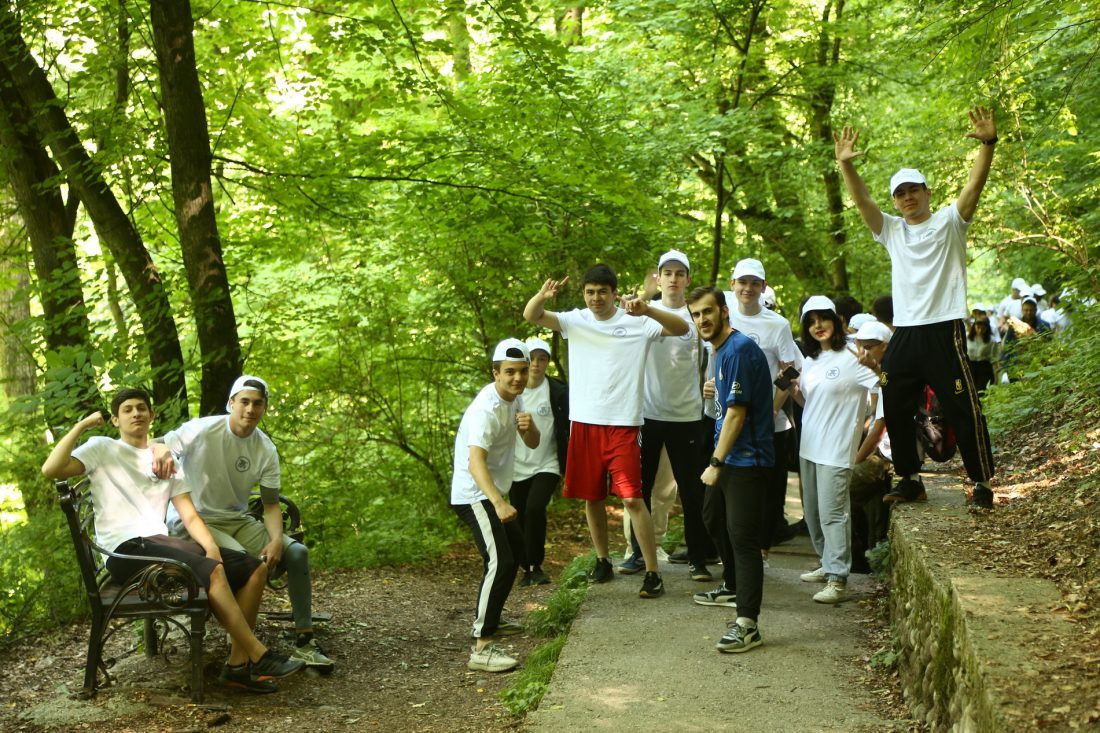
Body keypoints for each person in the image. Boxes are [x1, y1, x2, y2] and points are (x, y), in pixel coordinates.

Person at [42, 388, 304, 693]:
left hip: (159, 544)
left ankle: (236, 666)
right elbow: (52, 469)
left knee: (253, 568)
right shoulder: (102, 448)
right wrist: (83, 425)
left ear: (152, 416)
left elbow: (190, 516)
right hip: (127, 552)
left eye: (141, 408)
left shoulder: (166, 461)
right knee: (214, 572)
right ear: (115, 419)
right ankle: (259, 655)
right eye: (127, 409)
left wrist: (212, 547)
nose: (136, 413)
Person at [834, 105, 998, 511]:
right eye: (900, 193)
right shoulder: (891, 231)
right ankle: (909, 478)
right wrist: (847, 167)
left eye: (913, 190)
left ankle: (981, 483)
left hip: (944, 329)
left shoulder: (949, 222)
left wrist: (988, 146)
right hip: (906, 332)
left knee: (962, 405)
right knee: (894, 401)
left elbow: (974, 189)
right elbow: (862, 202)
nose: (907, 197)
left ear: (926, 192)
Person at [523, 264, 690, 599]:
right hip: (584, 422)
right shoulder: (576, 320)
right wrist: (543, 295)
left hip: (624, 424)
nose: (596, 298)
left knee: (631, 498)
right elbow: (533, 316)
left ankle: (652, 571)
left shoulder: (637, 322)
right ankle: (602, 560)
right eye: (590, 292)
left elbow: (682, 327)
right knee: (592, 496)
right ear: (584, 294)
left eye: (602, 292)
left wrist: (649, 308)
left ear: (614, 293)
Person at [153, 376, 335, 673]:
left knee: (297, 552)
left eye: (257, 403)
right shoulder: (202, 429)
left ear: (264, 408)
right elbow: (157, 444)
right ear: (231, 403)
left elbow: (272, 505)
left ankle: (305, 642)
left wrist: (277, 539)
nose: (250, 409)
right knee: (249, 563)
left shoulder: (264, 449)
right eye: (244, 401)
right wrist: (159, 447)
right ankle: (242, 652)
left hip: (237, 519)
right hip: (196, 522)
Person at [686, 286, 773, 653]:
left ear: (724, 311)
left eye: (708, 312)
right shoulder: (719, 351)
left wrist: (715, 463)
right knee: (712, 518)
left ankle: (747, 623)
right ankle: (733, 585)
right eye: (696, 315)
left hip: (747, 460)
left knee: (743, 539)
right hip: (730, 457)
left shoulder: (737, 351)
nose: (702, 320)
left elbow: (737, 413)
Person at [619, 250, 714, 583]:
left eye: (679, 273)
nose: (673, 279)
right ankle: (636, 554)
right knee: (639, 489)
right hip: (646, 415)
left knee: (691, 491)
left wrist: (711, 384)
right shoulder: (641, 314)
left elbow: (714, 352)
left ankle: (698, 558)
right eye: (667, 273)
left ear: (688, 279)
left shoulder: (696, 315)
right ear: (658, 278)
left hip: (687, 416)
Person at [451, 339, 540, 672]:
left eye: (521, 371)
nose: (517, 378)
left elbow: (532, 441)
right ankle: (482, 645)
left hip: (492, 493)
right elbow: (475, 463)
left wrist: (531, 429)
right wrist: (500, 503)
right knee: (501, 560)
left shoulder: (516, 400)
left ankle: (494, 619)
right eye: (509, 373)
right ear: (495, 373)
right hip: (475, 494)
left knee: (516, 553)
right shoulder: (486, 409)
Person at [790, 297, 880, 604]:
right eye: (811, 321)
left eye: (823, 319)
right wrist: (796, 394)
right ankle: (826, 562)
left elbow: (883, 386)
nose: (818, 326)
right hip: (809, 446)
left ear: (836, 321)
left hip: (836, 448)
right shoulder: (810, 360)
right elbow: (811, 404)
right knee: (813, 514)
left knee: (833, 513)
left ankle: (838, 577)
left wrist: (876, 368)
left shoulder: (853, 356)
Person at [724, 258, 803, 564]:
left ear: (763, 287)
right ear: (733, 285)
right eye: (742, 282)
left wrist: (771, 409)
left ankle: (762, 548)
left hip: (770, 424)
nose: (748, 288)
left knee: (769, 490)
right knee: (730, 486)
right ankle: (732, 550)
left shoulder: (777, 324)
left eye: (754, 283)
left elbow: (791, 370)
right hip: (729, 418)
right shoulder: (724, 316)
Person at [511, 337, 568, 587]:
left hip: (548, 462)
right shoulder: (512, 391)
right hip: (515, 465)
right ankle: (526, 568)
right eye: (531, 358)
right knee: (520, 514)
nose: (536, 364)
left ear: (548, 362)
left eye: (542, 359)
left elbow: (569, 426)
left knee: (535, 509)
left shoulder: (557, 391)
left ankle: (536, 565)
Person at [966, 317, 997, 393]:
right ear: (974, 326)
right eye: (978, 327)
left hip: (984, 368)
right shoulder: (967, 337)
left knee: (981, 392)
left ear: (987, 328)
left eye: (983, 328)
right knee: (970, 391)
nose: (980, 330)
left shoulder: (991, 340)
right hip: (970, 366)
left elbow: (995, 358)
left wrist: (996, 377)